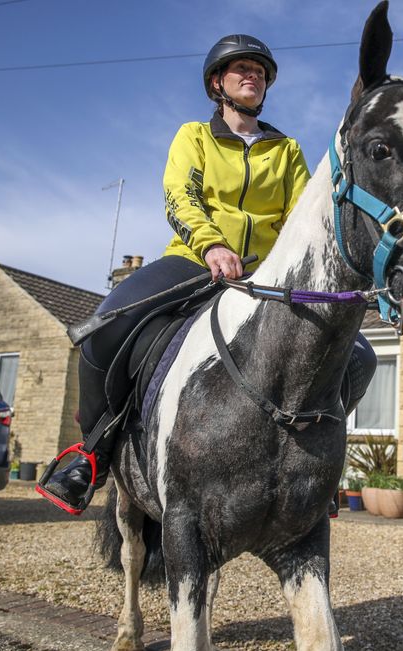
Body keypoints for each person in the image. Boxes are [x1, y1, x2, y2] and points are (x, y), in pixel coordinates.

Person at [37, 35, 376, 515]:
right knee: (106, 325)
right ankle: (90, 453)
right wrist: (213, 244)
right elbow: (180, 197)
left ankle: (311, 465)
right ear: (217, 83)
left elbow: (305, 219)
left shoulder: (285, 151)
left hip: (266, 276)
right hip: (195, 259)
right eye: (241, 69)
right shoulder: (193, 136)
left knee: (358, 355)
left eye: (259, 71)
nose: (252, 76)